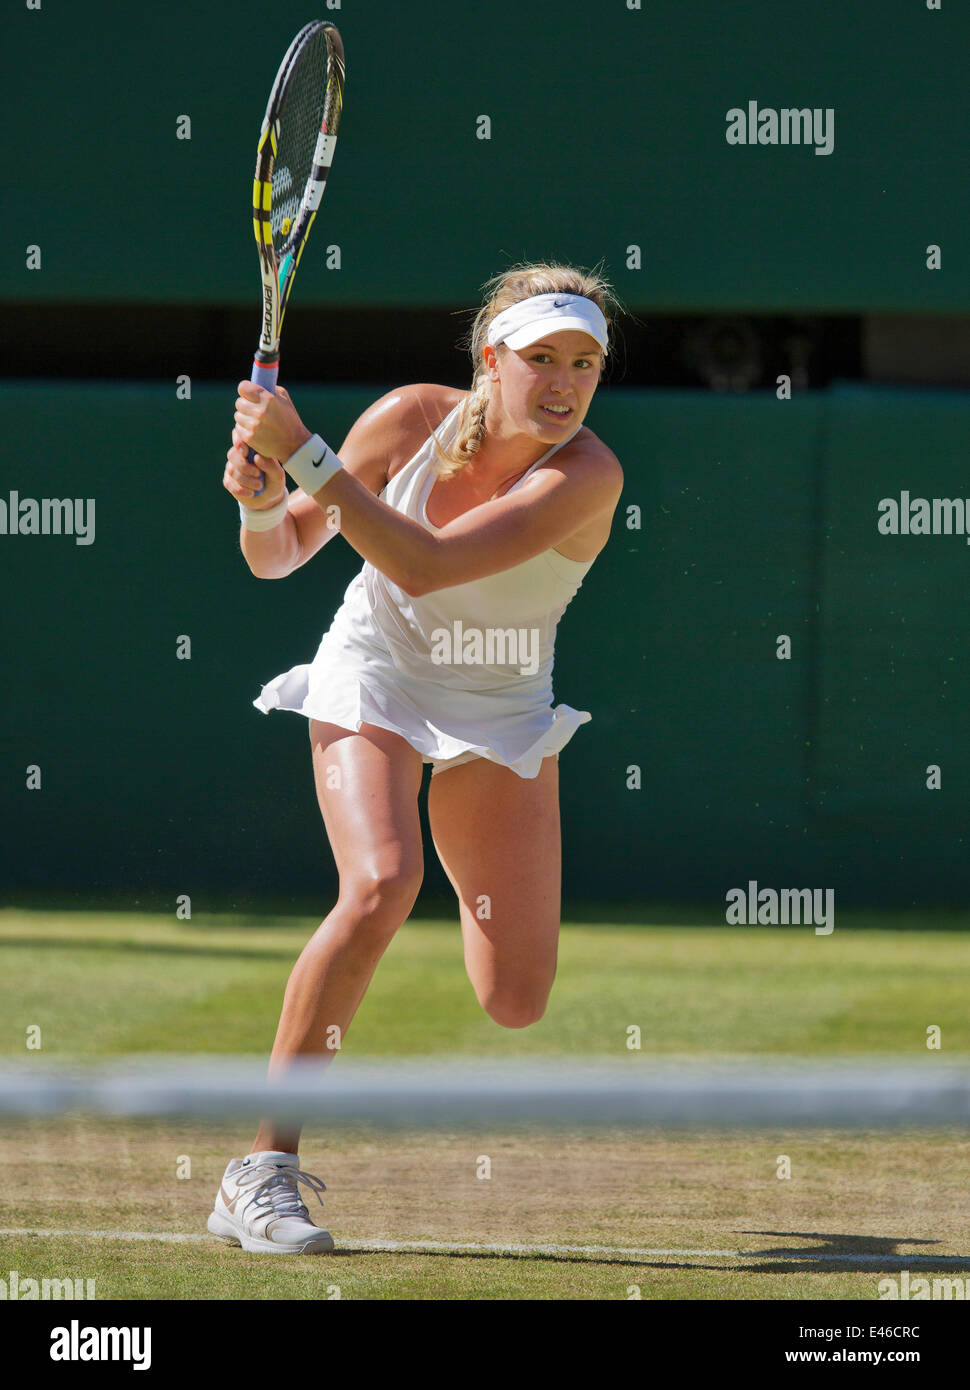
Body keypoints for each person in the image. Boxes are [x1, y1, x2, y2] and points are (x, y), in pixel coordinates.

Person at [207, 263, 624, 1253]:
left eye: (585, 363)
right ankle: (259, 1171)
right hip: (375, 678)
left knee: (515, 999)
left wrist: (300, 453)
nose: (564, 383)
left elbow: (429, 563)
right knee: (380, 883)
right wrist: (261, 498)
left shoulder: (589, 475)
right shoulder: (405, 421)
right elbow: (278, 556)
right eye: (540, 360)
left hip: (499, 704)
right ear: (490, 359)